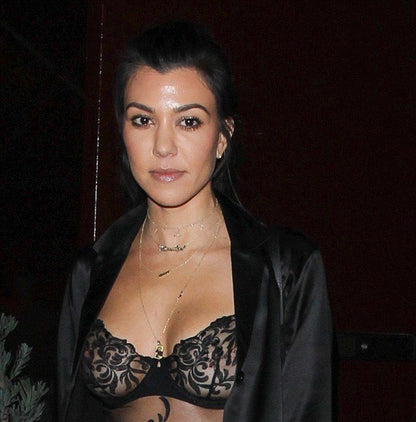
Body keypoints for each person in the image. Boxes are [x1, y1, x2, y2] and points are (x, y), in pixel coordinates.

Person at [57, 21, 333, 422]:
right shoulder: (91, 271)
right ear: (122, 131)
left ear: (223, 136)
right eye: (142, 120)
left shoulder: (286, 269)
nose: (163, 147)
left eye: (188, 121)